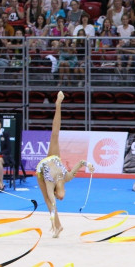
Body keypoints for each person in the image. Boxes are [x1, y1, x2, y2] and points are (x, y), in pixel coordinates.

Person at [36, 92, 93, 238]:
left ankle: (56, 225)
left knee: (48, 202)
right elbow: (80, 163)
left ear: (58, 192)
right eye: (63, 197)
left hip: (43, 171)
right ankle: (58, 226)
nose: (62, 196)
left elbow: (52, 199)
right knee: (55, 134)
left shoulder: (51, 183)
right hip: (54, 160)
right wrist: (88, 165)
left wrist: (51, 218)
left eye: (60, 196)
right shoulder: (67, 177)